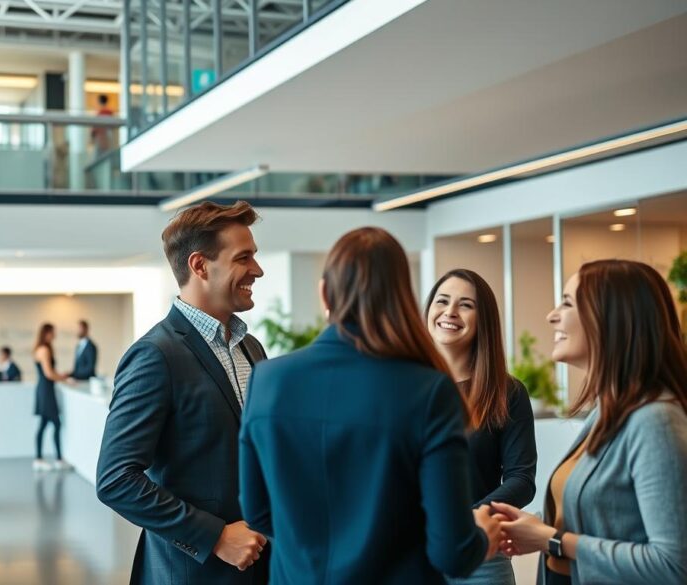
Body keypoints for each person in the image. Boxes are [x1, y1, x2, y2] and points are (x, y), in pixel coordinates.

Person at [239, 227, 501, 584]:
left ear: (324, 292)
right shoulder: (428, 390)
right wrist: (483, 536)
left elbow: (256, 511)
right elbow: (452, 554)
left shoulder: (268, 380)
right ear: (402, 298)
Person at [97, 200, 270, 585]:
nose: (257, 270)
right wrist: (216, 536)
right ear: (199, 265)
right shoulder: (155, 355)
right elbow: (116, 479)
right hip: (191, 572)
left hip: (260, 567)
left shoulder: (251, 347)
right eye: (244, 258)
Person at [493, 260, 687, 585]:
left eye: (567, 303)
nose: (552, 315)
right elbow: (608, 519)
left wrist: (552, 540)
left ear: (612, 318)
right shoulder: (607, 410)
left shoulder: (656, 421)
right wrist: (532, 526)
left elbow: (674, 564)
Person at [425, 269, 538, 585]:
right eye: (442, 301)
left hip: (481, 554)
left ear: (482, 319)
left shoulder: (508, 392)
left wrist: (465, 517)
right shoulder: (402, 385)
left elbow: (522, 479)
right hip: (413, 550)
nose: (450, 312)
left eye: (466, 305)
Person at [33, 323, 72, 471]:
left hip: (45, 389)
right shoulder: (44, 350)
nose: (55, 335)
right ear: (47, 333)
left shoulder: (43, 349)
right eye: (53, 332)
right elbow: (49, 373)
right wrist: (64, 379)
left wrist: (62, 376)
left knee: (44, 425)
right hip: (46, 391)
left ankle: (41, 458)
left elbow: (50, 372)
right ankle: (57, 459)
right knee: (55, 423)